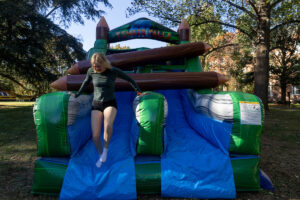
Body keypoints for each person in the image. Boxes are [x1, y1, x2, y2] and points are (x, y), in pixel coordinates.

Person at [70, 52, 142, 168]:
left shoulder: (112, 71)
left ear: (104, 63)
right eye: (94, 66)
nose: (96, 68)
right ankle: (101, 153)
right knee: (95, 136)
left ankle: (106, 149)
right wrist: (77, 94)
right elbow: (85, 83)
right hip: (96, 104)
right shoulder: (91, 71)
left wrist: (138, 92)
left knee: (108, 125)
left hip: (110, 103)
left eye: (98, 65)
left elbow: (129, 79)